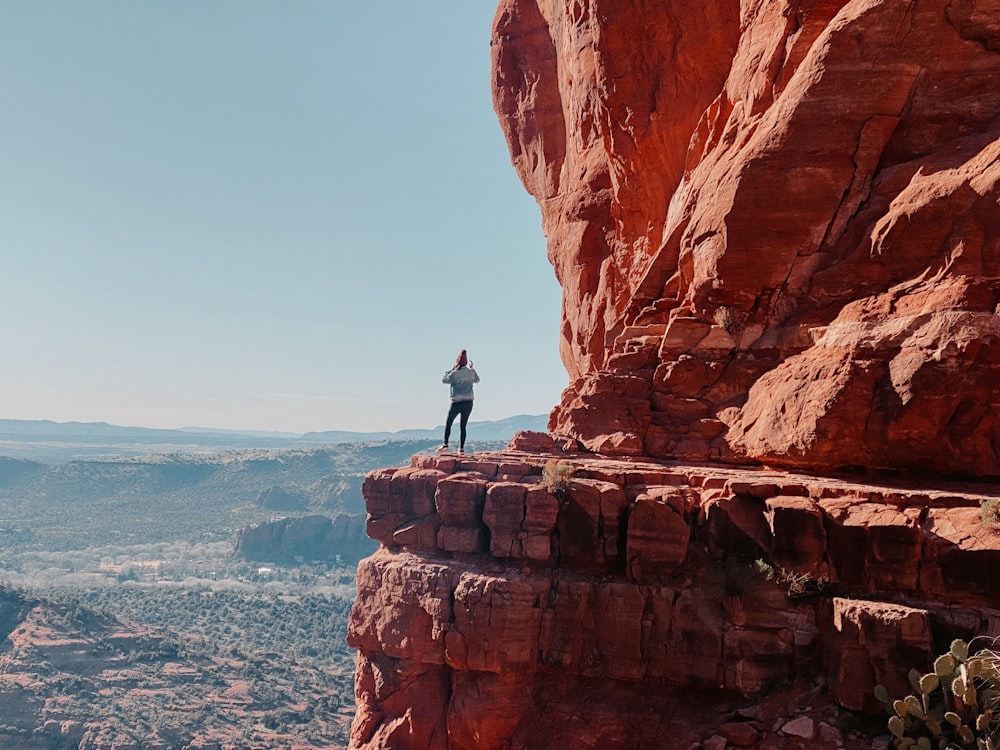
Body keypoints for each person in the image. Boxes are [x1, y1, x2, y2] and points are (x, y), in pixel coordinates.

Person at [440, 349, 479, 453]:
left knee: (449, 423)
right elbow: (477, 380)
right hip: (468, 402)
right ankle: (461, 448)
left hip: (456, 402)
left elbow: (444, 380)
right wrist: (472, 369)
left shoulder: (454, 374)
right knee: (463, 425)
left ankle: (445, 444)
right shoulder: (471, 372)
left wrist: (452, 369)